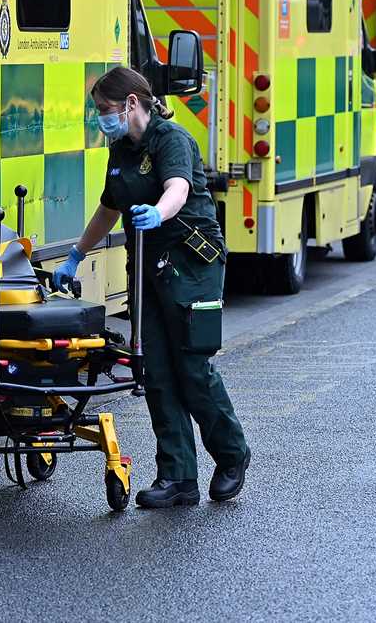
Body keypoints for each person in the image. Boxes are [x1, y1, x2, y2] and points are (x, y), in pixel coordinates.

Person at [53, 67, 251, 507]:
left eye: (104, 109)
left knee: (193, 368)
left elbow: (178, 188)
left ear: (130, 103)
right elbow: (109, 208)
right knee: (156, 371)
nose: (100, 118)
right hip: (147, 267)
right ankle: (178, 477)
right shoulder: (120, 149)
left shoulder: (170, 138)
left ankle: (233, 455)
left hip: (190, 263)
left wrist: (159, 213)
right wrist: (76, 254)